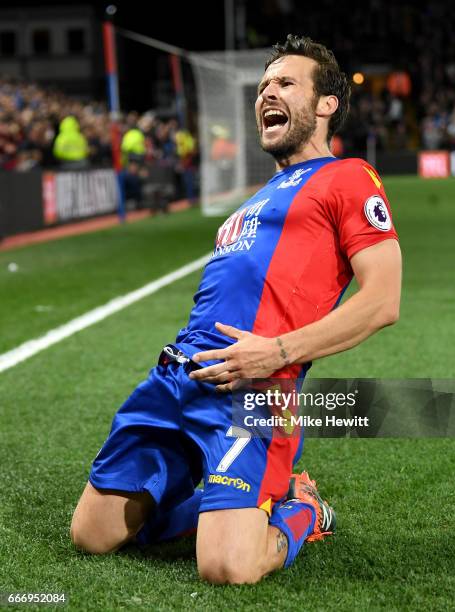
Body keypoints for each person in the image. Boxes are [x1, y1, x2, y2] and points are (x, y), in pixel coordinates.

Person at [70, 34, 401, 584]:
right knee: (92, 536)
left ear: (327, 105)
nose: (267, 91)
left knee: (228, 568)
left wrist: (276, 352)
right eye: (265, 84)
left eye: (286, 83)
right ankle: (224, 509)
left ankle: (303, 510)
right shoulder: (260, 194)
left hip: (252, 391)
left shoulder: (349, 177)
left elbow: (383, 299)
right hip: (177, 375)